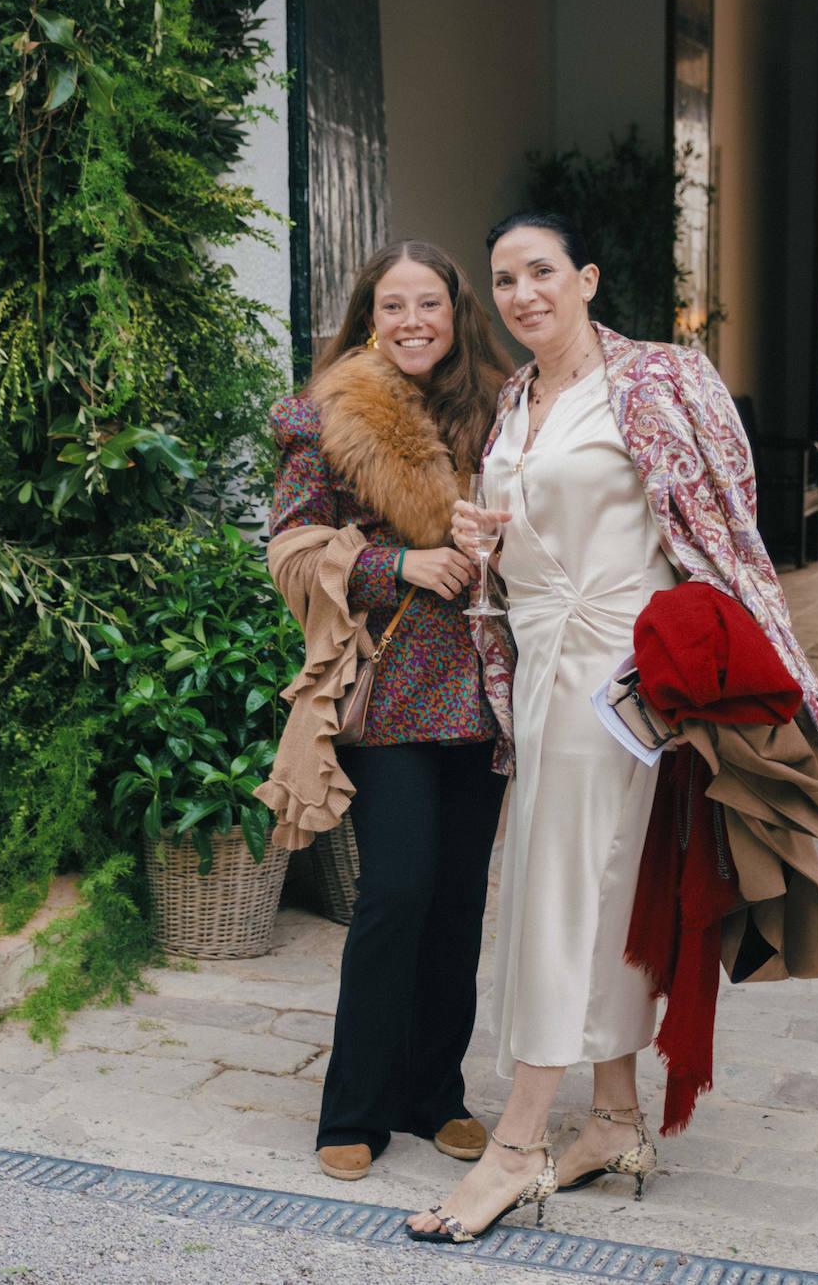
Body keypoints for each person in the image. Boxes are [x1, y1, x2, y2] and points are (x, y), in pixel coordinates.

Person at [406, 212, 818, 1243]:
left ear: (586, 277)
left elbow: (723, 521)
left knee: (564, 888)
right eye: (504, 280)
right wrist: (481, 528)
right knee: (598, 887)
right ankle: (610, 1118)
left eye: (541, 272)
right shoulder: (513, 399)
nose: (522, 295)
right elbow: (526, 524)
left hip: (623, 673)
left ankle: (514, 1145)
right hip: (542, 662)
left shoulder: (658, 380)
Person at [257, 240, 513, 1182]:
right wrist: (394, 561)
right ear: (370, 314)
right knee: (395, 893)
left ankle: (433, 1094)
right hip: (393, 691)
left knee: (456, 904)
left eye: (430, 305)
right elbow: (288, 549)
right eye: (393, 305)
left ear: (456, 314)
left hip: (486, 693)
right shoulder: (324, 414)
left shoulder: (506, 410)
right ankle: (354, 1106)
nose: (413, 322)